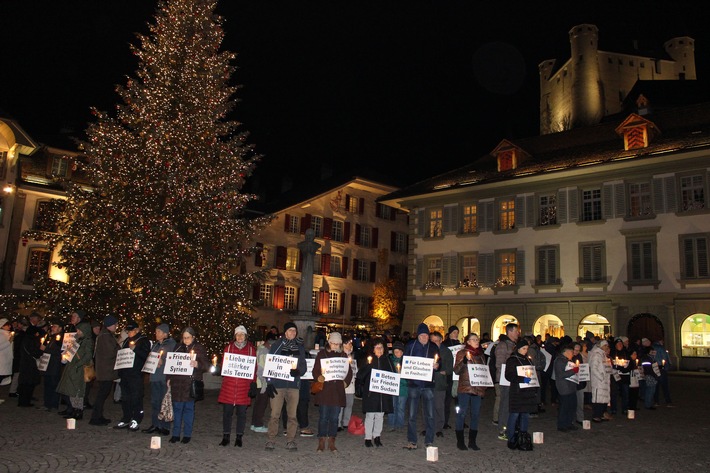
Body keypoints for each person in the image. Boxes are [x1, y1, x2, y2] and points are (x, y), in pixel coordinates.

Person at [265, 321, 307, 451]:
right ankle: (271, 440)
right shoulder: (277, 345)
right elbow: (270, 364)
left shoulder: (299, 347)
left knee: (292, 415)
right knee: (275, 414)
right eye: (290, 331)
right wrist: (269, 382)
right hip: (278, 385)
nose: (292, 333)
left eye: (294, 331)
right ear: (285, 332)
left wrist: (298, 371)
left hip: (293, 386)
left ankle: (290, 440)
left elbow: (303, 366)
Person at [167, 326, 209, 444]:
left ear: (193, 337)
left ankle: (187, 434)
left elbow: (206, 365)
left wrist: (197, 364)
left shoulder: (199, 348)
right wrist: (169, 378)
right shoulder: (178, 347)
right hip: (177, 384)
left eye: (188, 338)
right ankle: (175, 434)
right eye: (184, 338)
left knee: (188, 409)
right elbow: (171, 364)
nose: (186, 340)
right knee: (177, 409)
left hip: (190, 384)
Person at [218, 325, 257, 447]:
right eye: (238, 334)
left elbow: (254, 369)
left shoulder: (251, 350)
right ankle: (226, 436)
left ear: (245, 336)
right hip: (229, 386)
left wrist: (253, 383)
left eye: (242, 334)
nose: (240, 337)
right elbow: (224, 365)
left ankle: (239, 437)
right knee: (227, 413)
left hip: (243, 387)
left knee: (242, 413)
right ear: (235, 336)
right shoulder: (228, 348)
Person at [313, 332, 352, 452]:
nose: (335, 345)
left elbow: (348, 372)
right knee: (323, 416)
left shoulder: (343, 356)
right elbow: (315, 370)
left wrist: (345, 382)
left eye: (337, 343)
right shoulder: (322, 354)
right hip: (325, 391)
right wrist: (319, 377)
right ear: (329, 343)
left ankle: (332, 439)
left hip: (337, 391)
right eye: (333, 343)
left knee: (335, 418)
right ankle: (322, 439)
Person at [403, 322, 440, 450]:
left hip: (428, 385)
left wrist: (437, 365)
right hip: (414, 385)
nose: (424, 337)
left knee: (430, 414)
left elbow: (438, 361)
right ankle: (412, 440)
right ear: (418, 335)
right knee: (412, 415)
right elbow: (405, 361)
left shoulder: (433, 347)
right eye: (422, 335)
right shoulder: (410, 346)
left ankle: (429, 440)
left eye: (426, 335)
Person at [114, 319, 151, 431]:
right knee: (125, 398)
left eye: (131, 330)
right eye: (128, 331)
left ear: (136, 330)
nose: (129, 333)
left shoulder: (143, 340)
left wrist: (135, 349)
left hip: (136, 374)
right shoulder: (126, 341)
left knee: (136, 397)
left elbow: (146, 356)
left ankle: (136, 419)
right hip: (125, 374)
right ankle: (126, 418)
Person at [356, 337, 393, 448]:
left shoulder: (387, 360)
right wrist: (368, 367)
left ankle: (377, 436)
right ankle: (368, 437)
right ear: (373, 349)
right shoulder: (368, 360)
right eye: (377, 347)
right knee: (370, 415)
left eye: (381, 347)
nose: (379, 349)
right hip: (371, 394)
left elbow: (392, 375)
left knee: (379, 416)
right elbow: (360, 375)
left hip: (382, 395)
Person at [453, 333, 486, 451]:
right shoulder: (461, 353)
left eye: (477, 339)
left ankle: (472, 441)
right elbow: (456, 370)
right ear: (468, 341)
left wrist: (484, 385)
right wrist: (464, 362)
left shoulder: (481, 355)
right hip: (465, 388)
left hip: (477, 389)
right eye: (474, 339)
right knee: (461, 414)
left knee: (475, 415)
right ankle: (460, 441)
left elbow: (483, 372)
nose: (477, 341)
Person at [142, 323, 176, 434]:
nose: (156, 334)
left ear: (165, 334)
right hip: (155, 377)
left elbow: (173, 361)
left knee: (164, 402)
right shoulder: (155, 345)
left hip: (164, 378)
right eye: (156, 331)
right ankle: (155, 424)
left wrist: (164, 361)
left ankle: (165, 426)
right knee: (155, 402)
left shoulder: (171, 345)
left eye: (159, 332)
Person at [56, 319, 94, 419]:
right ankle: (71, 409)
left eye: (79, 330)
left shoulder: (88, 341)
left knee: (77, 390)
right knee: (69, 389)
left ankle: (78, 411)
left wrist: (78, 364)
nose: (77, 332)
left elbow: (88, 355)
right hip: (72, 367)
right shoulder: (77, 339)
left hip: (79, 368)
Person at [504, 339, 538, 450]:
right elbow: (508, 375)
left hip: (527, 392)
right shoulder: (512, 360)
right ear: (518, 348)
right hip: (517, 392)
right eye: (523, 349)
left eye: (527, 349)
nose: (525, 351)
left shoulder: (528, 360)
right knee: (514, 414)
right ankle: (512, 438)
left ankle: (523, 436)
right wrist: (521, 379)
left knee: (525, 414)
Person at [89, 315, 120, 426]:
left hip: (104, 370)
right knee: (102, 394)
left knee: (102, 394)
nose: (116, 326)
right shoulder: (106, 336)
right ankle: (96, 417)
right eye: (115, 324)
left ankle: (98, 415)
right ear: (110, 325)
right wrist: (119, 349)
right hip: (106, 370)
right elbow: (111, 352)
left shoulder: (104, 335)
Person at [494, 323, 518, 440]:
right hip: (505, 380)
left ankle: (511, 426)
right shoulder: (503, 345)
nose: (518, 333)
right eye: (516, 331)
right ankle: (502, 429)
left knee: (513, 404)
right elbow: (499, 364)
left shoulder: (514, 345)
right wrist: (509, 373)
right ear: (510, 331)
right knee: (505, 405)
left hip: (514, 380)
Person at [17, 313, 45, 407]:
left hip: (25, 363)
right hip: (29, 364)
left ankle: (23, 401)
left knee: (25, 383)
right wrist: (41, 350)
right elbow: (34, 352)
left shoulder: (26, 338)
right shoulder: (30, 340)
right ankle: (25, 402)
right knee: (28, 383)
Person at [250, 333, 276, 433]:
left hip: (260, 382)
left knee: (258, 403)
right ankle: (258, 424)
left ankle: (254, 423)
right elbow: (261, 369)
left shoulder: (261, 349)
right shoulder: (263, 351)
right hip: (262, 382)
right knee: (261, 403)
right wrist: (265, 383)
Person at [553, 345, 580, 432]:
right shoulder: (560, 361)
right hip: (564, 387)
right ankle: (562, 425)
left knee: (571, 406)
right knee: (564, 406)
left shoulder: (567, 360)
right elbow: (561, 374)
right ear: (567, 352)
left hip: (571, 386)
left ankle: (569, 423)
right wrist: (573, 371)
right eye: (572, 352)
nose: (573, 354)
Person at [39, 320, 64, 411]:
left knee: (54, 385)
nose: (52, 327)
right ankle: (47, 403)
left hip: (54, 365)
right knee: (47, 384)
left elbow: (60, 352)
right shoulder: (51, 337)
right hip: (48, 364)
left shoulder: (61, 338)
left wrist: (46, 349)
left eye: (55, 326)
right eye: (52, 326)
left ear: (60, 328)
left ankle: (53, 405)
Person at [430, 331, 451, 438]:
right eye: (432, 341)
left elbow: (450, 368)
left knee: (439, 406)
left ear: (441, 340)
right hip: (428, 383)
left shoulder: (446, 351)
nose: (433, 343)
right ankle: (427, 426)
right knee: (427, 406)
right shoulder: (428, 350)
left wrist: (444, 371)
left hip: (440, 382)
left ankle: (439, 428)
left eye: (436, 341)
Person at [589, 339, 612, 422]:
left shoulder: (604, 355)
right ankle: (596, 415)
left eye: (607, 346)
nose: (606, 347)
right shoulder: (596, 355)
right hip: (599, 381)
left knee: (603, 399)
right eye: (605, 345)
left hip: (604, 380)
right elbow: (594, 368)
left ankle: (602, 414)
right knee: (598, 398)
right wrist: (601, 377)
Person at [339, 335, 357, 431]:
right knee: (341, 404)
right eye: (348, 343)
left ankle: (346, 422)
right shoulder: (340, 355)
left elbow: (354, 370)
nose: (350, 345)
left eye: (350, 343)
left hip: (351, 385)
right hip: (343, 384)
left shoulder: (352, 356)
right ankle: (338, 423)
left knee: (349, 404)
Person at [388, 340, 407, 432]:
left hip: (403, 388)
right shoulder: (389, 361)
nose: (398, 353)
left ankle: (400, 425)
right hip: (392, 387)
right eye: (396, 351)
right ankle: (391, 424)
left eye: (399, 351)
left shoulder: (407, 362)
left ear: (402, 352)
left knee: (401, 407)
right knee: (392, 406)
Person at [0, 317, 12, 403]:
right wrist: (9, 342)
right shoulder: (1, 335)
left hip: (6, 359)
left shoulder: (7, 334)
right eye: (7, 325)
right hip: (1, 360)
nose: (9, 326)